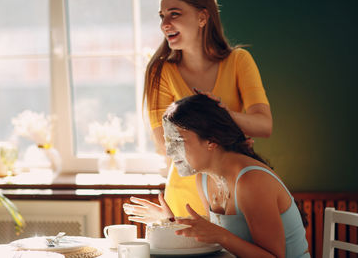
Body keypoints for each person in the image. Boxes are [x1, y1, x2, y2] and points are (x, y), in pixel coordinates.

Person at [126, 94, 309, 258]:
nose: (170, 152)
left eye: (177, 141)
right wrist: (170, 223)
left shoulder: (250, 182)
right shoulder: (204, 178)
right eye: (168, 143)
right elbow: (213, 238)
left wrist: (221, 236)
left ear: (211, 141)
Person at [142, 0, 272, 217]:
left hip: (233, 189)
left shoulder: (239, 61)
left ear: (202, 18)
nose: (165, 24)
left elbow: (264, 125)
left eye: (174, 14)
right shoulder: (160, 71)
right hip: (184, 194)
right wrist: (231, 135)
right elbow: (165, 144)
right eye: (162, 16)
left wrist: (222, 114)